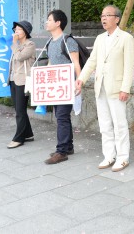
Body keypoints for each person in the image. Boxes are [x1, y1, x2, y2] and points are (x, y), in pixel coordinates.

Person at [76, 5, 134, 172]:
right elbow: (92, 61)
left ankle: (123, 157)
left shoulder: (125, 38)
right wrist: (81, 79)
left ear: (116, 18)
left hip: (117, 88)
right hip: (100, 87)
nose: (104, 18)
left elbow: (129, 66)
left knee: (119, 124)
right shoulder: (100, 38)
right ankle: (109, 155)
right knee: (104, 124)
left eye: (108, 15)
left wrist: (125, 88)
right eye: (102, 15)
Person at [45, 10, 81, 165]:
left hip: (67, 86)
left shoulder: (68, 41)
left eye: (49, 20)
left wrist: (79, 82)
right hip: (55, 86)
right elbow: (50, 63)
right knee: (61, 116)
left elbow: (76, 64)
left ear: (58, 23)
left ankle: (61, 152)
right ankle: (68, 147)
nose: (46, 22)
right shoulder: (50, 42)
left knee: (61, 117)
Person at [7, 20, 36, 149]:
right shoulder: (18, 44)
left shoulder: (30, 44)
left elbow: (19, 57)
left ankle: (19, 138)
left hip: (23, 81)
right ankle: (28, 134)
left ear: (25, 32)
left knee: (20, 110)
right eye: (15, 29)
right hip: (14, 79)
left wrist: (14, 44)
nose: (15, 31)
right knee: (19, 109)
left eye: (18, 29)